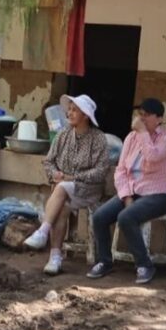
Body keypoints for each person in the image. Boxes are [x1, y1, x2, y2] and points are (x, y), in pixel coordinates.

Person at [87, 97, 166, 285]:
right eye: (140, 114)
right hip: (133, 190)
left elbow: (152, 157)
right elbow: (120, 170)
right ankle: (105, 261)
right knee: (99, 217)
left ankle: (144, 265)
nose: (142, 119)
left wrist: (143, 133)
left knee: (126, 217)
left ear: (159, 119)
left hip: (158, 194)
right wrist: (126, 195)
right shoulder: (130, 138)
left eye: (147, 115)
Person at [24, 94, 111, 275]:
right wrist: (54, 174)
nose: (69, 113)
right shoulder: (63, 135)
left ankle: (42, 231)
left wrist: (73, 177)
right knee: (61, 205)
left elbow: (101, 171)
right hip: (64, 190)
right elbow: (48, 161)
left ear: (85, 115)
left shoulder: (98, 138)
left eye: (74, 110)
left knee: (62, 188)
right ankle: (55, 257)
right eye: (69, 110)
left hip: (89, 189)